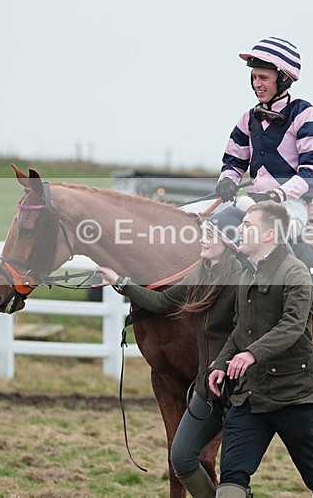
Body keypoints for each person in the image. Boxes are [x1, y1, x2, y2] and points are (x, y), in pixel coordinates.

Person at [97, 208, 244, 498]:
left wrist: (228, 361)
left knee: (236, 474)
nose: (202, 240)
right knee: (181, 458)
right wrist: (121, 282)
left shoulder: (242, 280)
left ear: (227, 243)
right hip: (209, 388)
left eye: (209, 235)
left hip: (238, 389)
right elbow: (162, 302)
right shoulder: (201, 273)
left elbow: (247, 330)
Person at [207, 201, 313, 498]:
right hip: (250, 395)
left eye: (247, 226)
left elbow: (293, 325)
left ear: (269, 234)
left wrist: (251, 353)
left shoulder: (296, 273)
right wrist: (220, 363)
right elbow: (239, 329)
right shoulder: (246, 274)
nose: (239, 230)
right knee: (230, 484)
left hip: (295, 394)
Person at [214, 36, 313, 240]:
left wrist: (277, 195)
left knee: (258, 235)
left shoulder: (308, 115)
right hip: (253, 203)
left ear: (284, 79)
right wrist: (227, 181)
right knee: (204, 224)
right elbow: (233, 163)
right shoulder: (248, 118)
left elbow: (310, 174)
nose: (257, 84)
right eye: (254, 77)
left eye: (264, 78)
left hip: (290, 206)